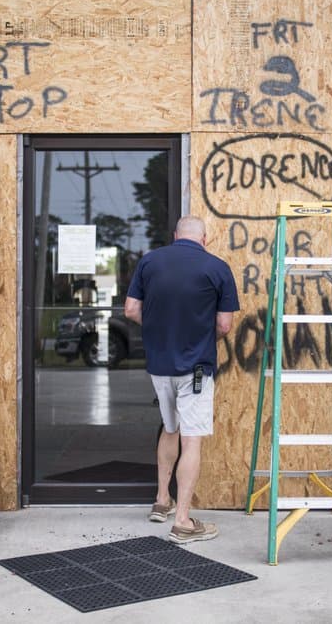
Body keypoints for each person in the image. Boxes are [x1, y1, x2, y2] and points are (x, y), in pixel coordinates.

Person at [124, 215, 239, 543]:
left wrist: (161, 331)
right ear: (205, 239)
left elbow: (131, 310)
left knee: (170, 428)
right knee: (192, 440)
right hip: (197, 368)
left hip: (159, 366)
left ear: (175, 235)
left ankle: (162, 501)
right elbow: (225, 326)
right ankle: (184, 522)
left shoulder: (149, 262)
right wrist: (198, 337)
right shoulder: (216, 267)